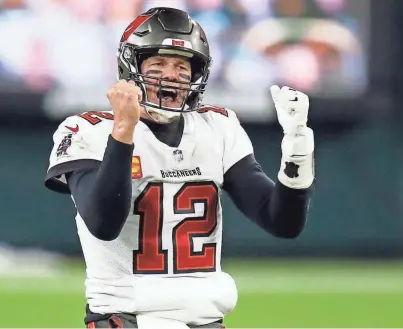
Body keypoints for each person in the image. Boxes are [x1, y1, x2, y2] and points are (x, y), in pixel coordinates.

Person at [44, 7, 315, 329]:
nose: (171, 75)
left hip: (204, 318)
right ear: (131, 68)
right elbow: (103, 223)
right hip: (128, 316)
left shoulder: (217, 126)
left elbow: (282, 222)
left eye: (182, 66)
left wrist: (297, 152)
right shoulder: (86, 129)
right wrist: (123, 132)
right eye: (158, 64)